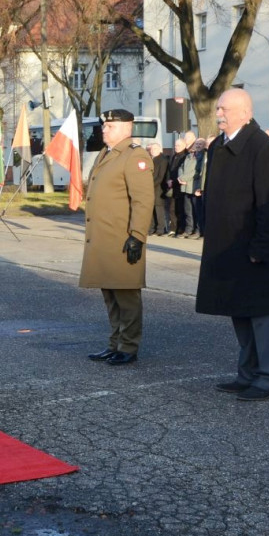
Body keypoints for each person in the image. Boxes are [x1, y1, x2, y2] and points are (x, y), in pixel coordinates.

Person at [198, 88, 269, 401]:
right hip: (228, 245)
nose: (218, 114)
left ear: (245, 113)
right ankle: (247, 373)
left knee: (262, 313)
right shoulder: (218, 146)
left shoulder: (262, 147)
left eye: (224, 109)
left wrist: (263, 247)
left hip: (253, 247)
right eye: (218, 109)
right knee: (238, 310)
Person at [81, 109, 155, 366]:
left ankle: (129, 346)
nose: (104, 130)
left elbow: (143, 200)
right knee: (110, 294)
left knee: (126, 295)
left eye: (110, 126)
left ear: (127, 128)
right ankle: (114, 343)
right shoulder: (106, 153)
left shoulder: (135, 155)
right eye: (104, 126)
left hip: (122, 238)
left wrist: (137, 236)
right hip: (104, 238)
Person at [147, 142, 171, 236]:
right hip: (150, 187)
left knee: (159, 209)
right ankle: (151, 228)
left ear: (160, 149)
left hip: (159, 188)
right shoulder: (150, 159)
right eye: (152, 149)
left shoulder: (163, 160)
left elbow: (161, 176)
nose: (153, 151)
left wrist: (150, 185)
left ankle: (161, 229)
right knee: (151, 209)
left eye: (155, 149)